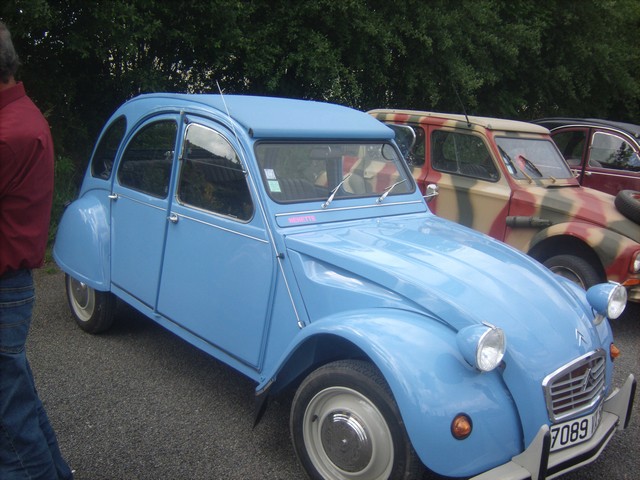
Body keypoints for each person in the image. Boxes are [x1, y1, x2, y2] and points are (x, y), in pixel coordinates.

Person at [0, 21, 74, 479]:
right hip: (12, 287)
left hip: (4, 288)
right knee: (18, 407)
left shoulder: (9, 132)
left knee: (9, 431)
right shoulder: (20, 115)